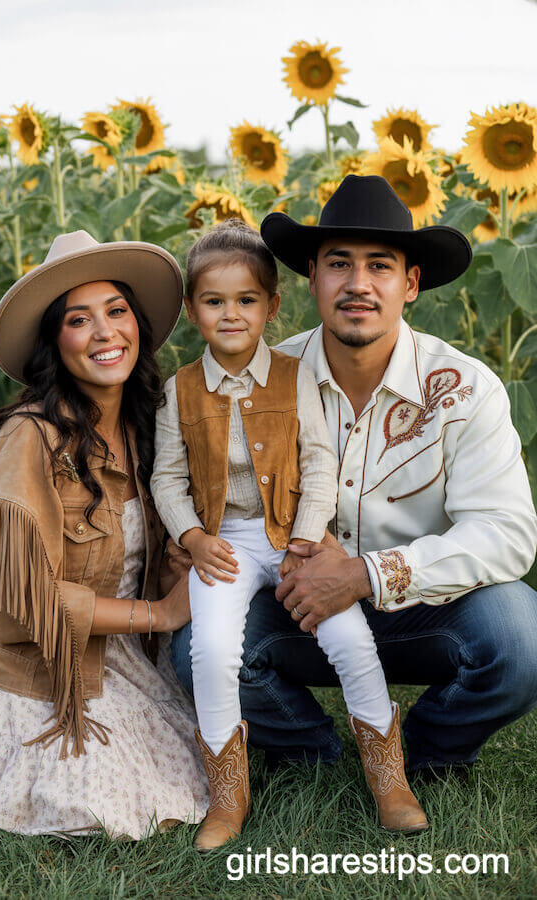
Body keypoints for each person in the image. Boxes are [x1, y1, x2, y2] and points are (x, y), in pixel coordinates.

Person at [171, 174, 537, 789]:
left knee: (523, 639)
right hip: (298, 611)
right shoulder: (261, 381)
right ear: (311, 278)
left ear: (411, 283)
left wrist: (368, 573)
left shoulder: (466, 389)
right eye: (339, 263)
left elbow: (508, 533)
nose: (358, 285)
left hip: (426, 610)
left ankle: (425, 751)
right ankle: (319, 757)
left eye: (381, 266)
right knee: (194, 651)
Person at [151, 219, 428, 850]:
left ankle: (391, 783)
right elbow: (167, 479)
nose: (231, 315)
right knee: (213, 649)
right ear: (192, 309)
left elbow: (319, 460)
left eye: (246, 300)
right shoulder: (180, 391)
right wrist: (192, 540)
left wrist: (306, 538)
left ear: (272, 306)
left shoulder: (294, 374)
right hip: (222, 540)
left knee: (351, 638)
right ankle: (227, 797)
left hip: (293, 537)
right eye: (214, 301)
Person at [0, 230, 208, 840]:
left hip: (120, 656)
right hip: (43, 664)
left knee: (201, 771)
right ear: (55, 345)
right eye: (79, 320)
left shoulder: (149, 428)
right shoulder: (29, 439)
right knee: (95, 807)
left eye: (116, 312)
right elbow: (14, 609)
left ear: (137, 323)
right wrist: (159, 613)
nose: (105, 332)